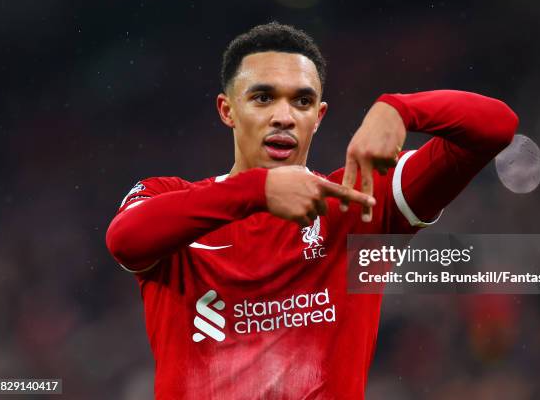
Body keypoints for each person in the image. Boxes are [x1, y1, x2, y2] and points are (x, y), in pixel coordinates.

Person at [105, 22, 518, 399]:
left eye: (302, 101)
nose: (283, 116)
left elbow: (496, 128)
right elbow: (124, 240)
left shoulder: (358, 201)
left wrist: (402, 109)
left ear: (318, 117)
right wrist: (259, 190)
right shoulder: (171, 198)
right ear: (227, 110)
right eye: (263, 97)